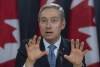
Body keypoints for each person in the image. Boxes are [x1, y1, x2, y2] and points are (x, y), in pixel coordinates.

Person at [15, 3, 88, 67]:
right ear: (39, 24)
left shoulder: (75, 49)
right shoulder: (27, 47)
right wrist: (29, 63)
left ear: (63, 24)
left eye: (54, 20)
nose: (48, 26)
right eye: (43, 21)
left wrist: (77, 66)